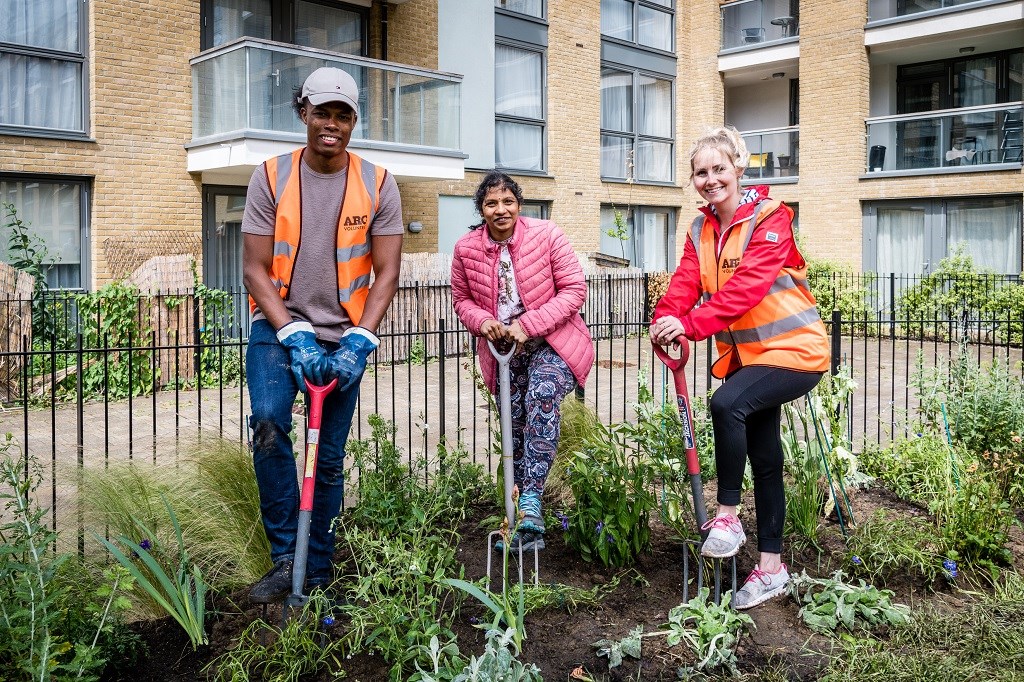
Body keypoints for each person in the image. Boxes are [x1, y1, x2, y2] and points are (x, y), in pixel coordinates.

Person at [649, 126, 829, 610]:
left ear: (738, 168)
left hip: (795, 351)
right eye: (700, 172)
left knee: (726, 403)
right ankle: (772, 569)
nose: (710, 180)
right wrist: (665, 318)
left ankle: (726, 515)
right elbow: (685, 284)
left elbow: (745, 290)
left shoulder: (772, 217)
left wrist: (689, 327)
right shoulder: (699, 230)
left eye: (718, 169)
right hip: (750, 359)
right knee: (766, 460)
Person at [242, 66, 404, 602]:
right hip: (277, 325)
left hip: (344, 337)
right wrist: (293, 332)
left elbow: (387, 274)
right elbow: (255, 270)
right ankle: (286, 555)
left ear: (353, 121)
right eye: (321, 112)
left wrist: (361, 341)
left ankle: (316, 571)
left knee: (328, 457)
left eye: (342, 114)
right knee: (268, 423)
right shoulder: (270, 176)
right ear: (303, 113)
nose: (330, 124)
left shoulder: (379, 184)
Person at [450, 171, 593, 551]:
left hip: (554, 342)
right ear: (481, 209)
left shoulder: (547, 235)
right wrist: (485, 322)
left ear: (519, 204)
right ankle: (520, 519)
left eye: (508, 201)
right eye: (492, 203)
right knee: (514, 425)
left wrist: (527, 326)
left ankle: (531, 500)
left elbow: (574, 289)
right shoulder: (466, 248)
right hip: (503, 352)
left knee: (542, 394)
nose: (501, 209)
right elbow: (461, 300)